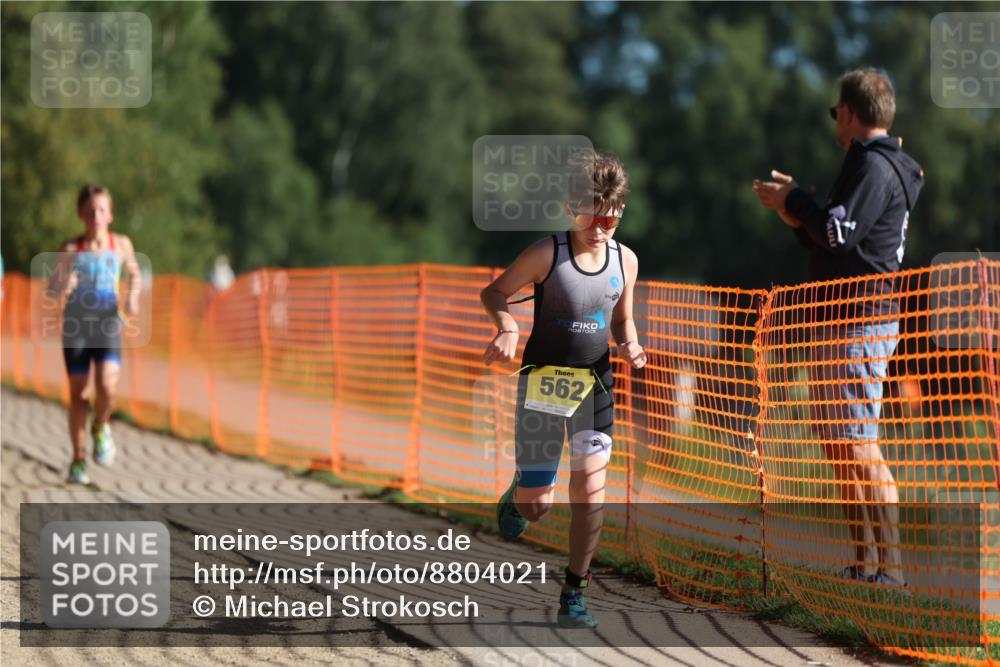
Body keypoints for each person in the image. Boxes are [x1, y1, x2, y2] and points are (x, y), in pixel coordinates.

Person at [752, 68, 924, 588]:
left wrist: (796, 201)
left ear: (849, 113)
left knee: (857, 441)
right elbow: (833, 238)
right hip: (838, 320)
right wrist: (795, 212)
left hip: (861, 321)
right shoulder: (865, 165)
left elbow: (835, 230)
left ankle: (891, 569)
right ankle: (862, 561)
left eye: (835, 112)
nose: (835, 120)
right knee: (836, 441)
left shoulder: (877, 166)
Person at [481, 150, 647, 628]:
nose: (599, 228)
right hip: (544, 385)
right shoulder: (546, 254)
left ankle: (575, 593)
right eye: (590, 215)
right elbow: (492, 293)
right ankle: (519, 494)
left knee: (590, 492)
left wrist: (631, 345)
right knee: (538, 507)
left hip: (594, 384)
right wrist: (507, 327)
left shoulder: (625, 260)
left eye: (610, 220)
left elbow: (622, 319)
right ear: (568, 206)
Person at [47, 184, 142, 484]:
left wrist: (132, 297)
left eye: (101, 210)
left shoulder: (121, 244)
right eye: (90, 211)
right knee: (78, 395)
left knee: (107, 386)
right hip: (76, 327)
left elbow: (135, 274)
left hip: (106, 324)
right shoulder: (71, 249)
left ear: (110, 214)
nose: (96, 216)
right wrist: (65, 282)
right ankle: (77, 460)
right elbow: (52, 288)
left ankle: (100, 426)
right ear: (80, 214)